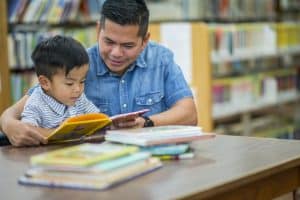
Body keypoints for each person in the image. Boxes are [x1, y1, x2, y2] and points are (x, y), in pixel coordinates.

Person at [0, 0, 198, 147]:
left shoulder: (161, 59)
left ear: (144, 40)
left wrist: (147, 122)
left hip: (154, 164)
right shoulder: (77, 65)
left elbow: (189, 113)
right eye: (109, 42)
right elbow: (14, 111)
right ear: (98, 31)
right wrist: (8, 125)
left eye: (128, 45)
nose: (116, 53)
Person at [21, 35, 99, 137]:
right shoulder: (36, 104)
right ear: (45, 83)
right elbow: (26, 131)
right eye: (69, 83)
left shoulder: (79, 98)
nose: (78, 89)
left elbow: (96, 117)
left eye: (82, 81)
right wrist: (61, 132)